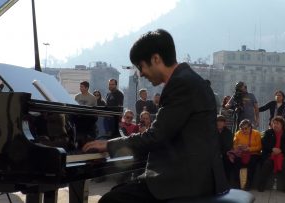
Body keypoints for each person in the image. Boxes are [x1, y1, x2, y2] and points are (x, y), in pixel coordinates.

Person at [83, 29, 229, 203]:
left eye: (141, 66)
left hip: (187, 181)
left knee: (111, 200)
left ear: (156, 59)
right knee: (121, 192)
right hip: (198, 175)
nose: (141, 73)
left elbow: (156, 136)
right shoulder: (190, 79)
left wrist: (109, 145)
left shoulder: (181, 84)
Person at [257, 116, 285, 193]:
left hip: (284, 154)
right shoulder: (268, 132)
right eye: (274, 123)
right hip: (270, 154)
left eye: (277, 123)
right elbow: (264, 143)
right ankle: (261, 186)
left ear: (282, 125)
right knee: (267, 164)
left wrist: (281, 150)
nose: (275, 125)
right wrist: (272, 148)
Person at [228, 119, 261, 190]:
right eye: (242, 129)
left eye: (245, 128)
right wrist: (239, 147)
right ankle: (237, 184)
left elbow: (259, 147)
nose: (244, 131)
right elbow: (234, 145)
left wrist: (249, 149)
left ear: (250, 127)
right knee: (236, 162)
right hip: (241, 153)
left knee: (252, 163)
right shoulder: (238, 133)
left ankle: (248, 184)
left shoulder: (256, 133)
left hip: (253, 153)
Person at [216, 115, 234, 185]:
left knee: (227, 161)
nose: (219, 123)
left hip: (225, 153)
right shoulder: (212, 132)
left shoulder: (228, 133)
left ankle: (226, 183)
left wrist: (221, 153)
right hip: (214, 154)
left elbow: (228, 146)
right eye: (217, 121)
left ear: (224, 123)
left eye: (221, 122)